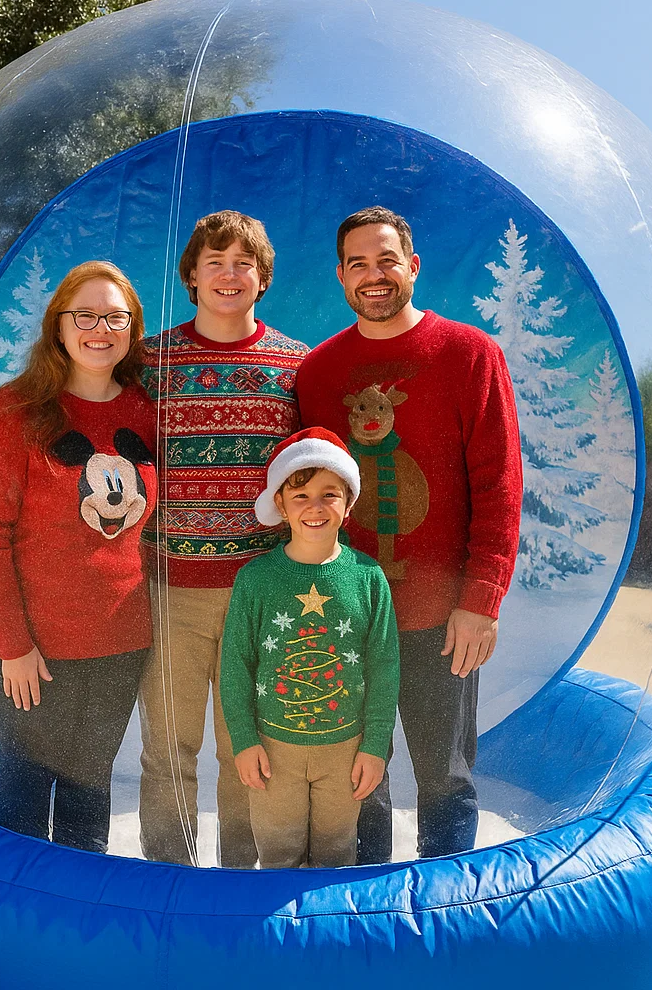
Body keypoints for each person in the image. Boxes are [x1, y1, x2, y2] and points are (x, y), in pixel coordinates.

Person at [296, 207, 523, 862]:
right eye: (358, 263)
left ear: (412, 266)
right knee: (357, 778)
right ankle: (372, 914)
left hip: (441, 619)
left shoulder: (470, 356)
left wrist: (481, 600)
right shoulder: (318, 374)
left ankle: (444, 923)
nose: (374, 275)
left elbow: (500, 486)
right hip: (348, 616)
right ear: (341, 275)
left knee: (444, 775)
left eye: (387, 259)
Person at [0, 260, 156, 854]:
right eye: (86, 315)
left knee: (88, 791)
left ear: (131, 328)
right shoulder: (17, 409)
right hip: (27, 649)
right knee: (24, 788)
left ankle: (73, 938)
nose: (101, 329)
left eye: (116, 317)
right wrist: (14, 645)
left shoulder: (145, 411)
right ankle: (2, 933)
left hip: (120, 643)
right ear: (58, 325)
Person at [138, 210, 308, 867]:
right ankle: (171, 885)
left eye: (243, 263)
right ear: (191, 276)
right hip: (170, 594)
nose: (228, 274)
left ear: (262, 278)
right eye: (215, 262)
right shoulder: (149, 363)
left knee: (251, 752)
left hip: (260, 599)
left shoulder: (295, 366)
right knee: (169, 749)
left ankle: (238, 888)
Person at [219, 427, 399, 868]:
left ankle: (330, 937)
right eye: (300, 495)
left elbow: (384, 666)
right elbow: (235, 666)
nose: (315, 507)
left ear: (348, 502)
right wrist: (244, 741)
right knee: (278, 857)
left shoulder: (368, 577)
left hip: (346, 752)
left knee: (337, 855)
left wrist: (375, 746)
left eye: (329, 494)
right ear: (279, 503)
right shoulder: (256, 579)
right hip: (272, 753)